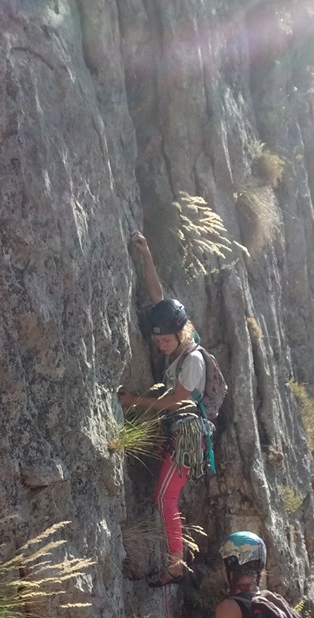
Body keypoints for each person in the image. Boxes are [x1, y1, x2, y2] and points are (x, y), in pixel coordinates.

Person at [118, 231, 210, 587]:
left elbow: (176, 401)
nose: (159, 346)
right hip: (178, 431)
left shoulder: (194, 362)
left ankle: (175, 565)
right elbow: (160, 299)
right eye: (156, 340)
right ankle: (175, 559)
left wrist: (133, 403)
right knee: (163, 495)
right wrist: (147, 256)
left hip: (189, 435)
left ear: (179, 334)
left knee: (165, 497)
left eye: (164, 341)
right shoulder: (184, 337)